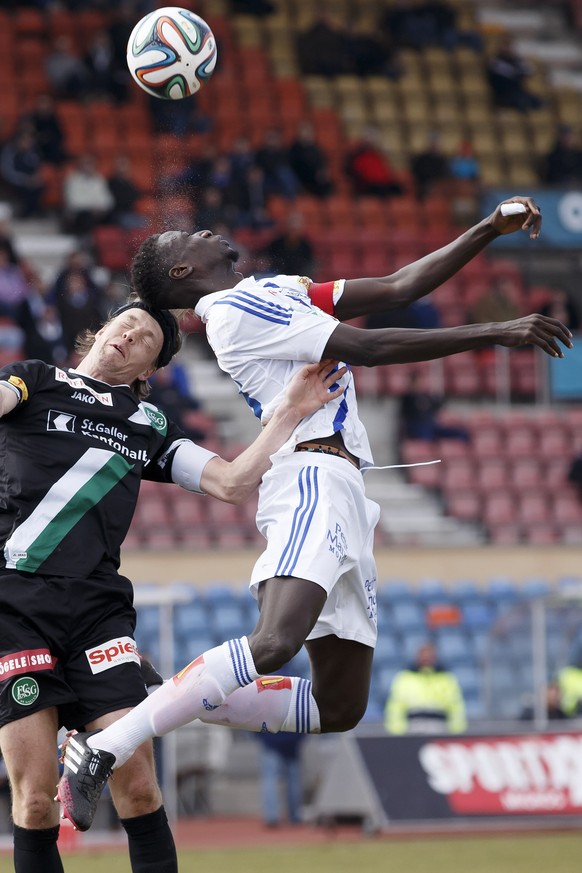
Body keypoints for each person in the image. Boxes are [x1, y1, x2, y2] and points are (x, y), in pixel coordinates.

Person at [56, 195, 573, 832]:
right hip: (309, 474)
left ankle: (155, 695)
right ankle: (103, 748)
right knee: (275, 641)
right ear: (183, 274)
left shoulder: (273, 289)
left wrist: (488, 229)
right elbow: (368, 346)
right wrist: (496, 331)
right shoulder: (233, 310)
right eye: (187, 236)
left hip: (348, 487)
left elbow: (395, 286)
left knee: (340, 704)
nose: (204, 229)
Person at [0, 300, 343, 869]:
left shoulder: (149, 425)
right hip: (15, 603)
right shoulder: (37, 379)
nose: (131, 336)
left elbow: (232, 483)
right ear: (102, 328)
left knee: (136, 787)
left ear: (146, 372)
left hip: (97, 612)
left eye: (147, 342)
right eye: (126, 324)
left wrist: (289, 411)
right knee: (36, 800)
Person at [384, 642, 467, 734]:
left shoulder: (447, 679)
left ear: (434, 658)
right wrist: (397, 731)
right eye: (423, 656)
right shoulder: (404, 678)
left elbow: (455, 706)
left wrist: (456, 731)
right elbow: (396, 706)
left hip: (440, 726)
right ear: (417, 657)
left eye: (429, 656)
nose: (426, 659)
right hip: (412, 727)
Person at [487, 36, 543, 113]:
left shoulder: (516, 60)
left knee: (539, 102)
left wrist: (519, 70)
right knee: (522, 103)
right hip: (503, 94)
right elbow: (510, 73)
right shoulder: (496, 61)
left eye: (509, 46)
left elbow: (528, 70)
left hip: (518, 92)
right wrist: (518, 71)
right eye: (505, 45)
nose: (508, 48)